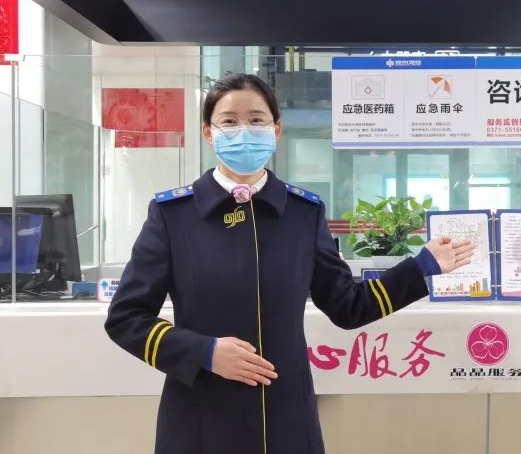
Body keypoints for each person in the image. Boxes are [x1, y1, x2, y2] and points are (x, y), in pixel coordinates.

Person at [104, 73, 475, 454]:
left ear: (276, 130)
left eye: (256, 120)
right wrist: (204, 352)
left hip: (285, 418)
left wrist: (422, 266)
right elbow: (126, 318)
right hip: (201, 417)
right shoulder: (174, 216)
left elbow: (348, 306)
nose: (244, 131)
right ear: (208, 133)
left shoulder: (302, 213)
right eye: (229, 121)